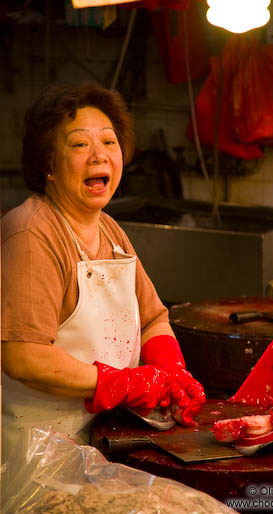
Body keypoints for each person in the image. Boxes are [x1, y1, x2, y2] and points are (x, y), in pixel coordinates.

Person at [1, 82, 206, 467]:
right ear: (47, 163)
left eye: (109, 143)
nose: (99, 156)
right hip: (40, 456)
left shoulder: (111, 231)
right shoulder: (31, 232)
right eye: (79, 145)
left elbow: (153, 318)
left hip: (102, 440)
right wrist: (123, 384)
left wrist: (171, 373)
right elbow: (23, 356)